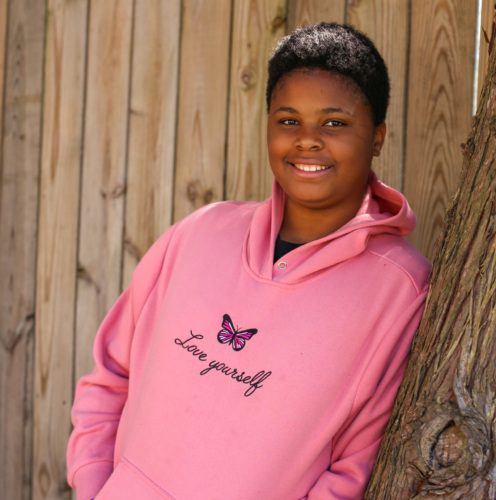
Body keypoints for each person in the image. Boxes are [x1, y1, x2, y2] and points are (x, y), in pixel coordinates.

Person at [67, 22, 431, 499]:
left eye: (335, 122)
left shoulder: (401, 290)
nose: (307, 140)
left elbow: (355, 470)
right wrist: (94, 487)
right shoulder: (200, 233)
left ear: (377, 136)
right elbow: (110, 377)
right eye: (288, 120)